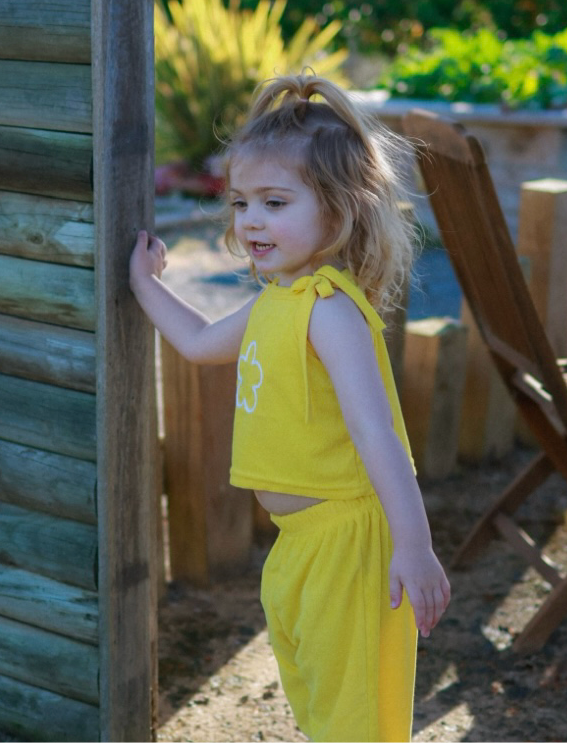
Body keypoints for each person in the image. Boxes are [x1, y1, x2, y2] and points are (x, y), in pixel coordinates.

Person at [130, 73, 451, 743]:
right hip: (298, 542)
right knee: (319, 699)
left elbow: (377, 432)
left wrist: (414, 547)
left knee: (356, 717)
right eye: (241, 201)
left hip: (347, 541)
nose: (250, 220)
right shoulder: (277, 300)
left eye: (274, 202)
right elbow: (194, 341)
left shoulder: (329, 310)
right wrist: (143, 282)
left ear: (338, 210)